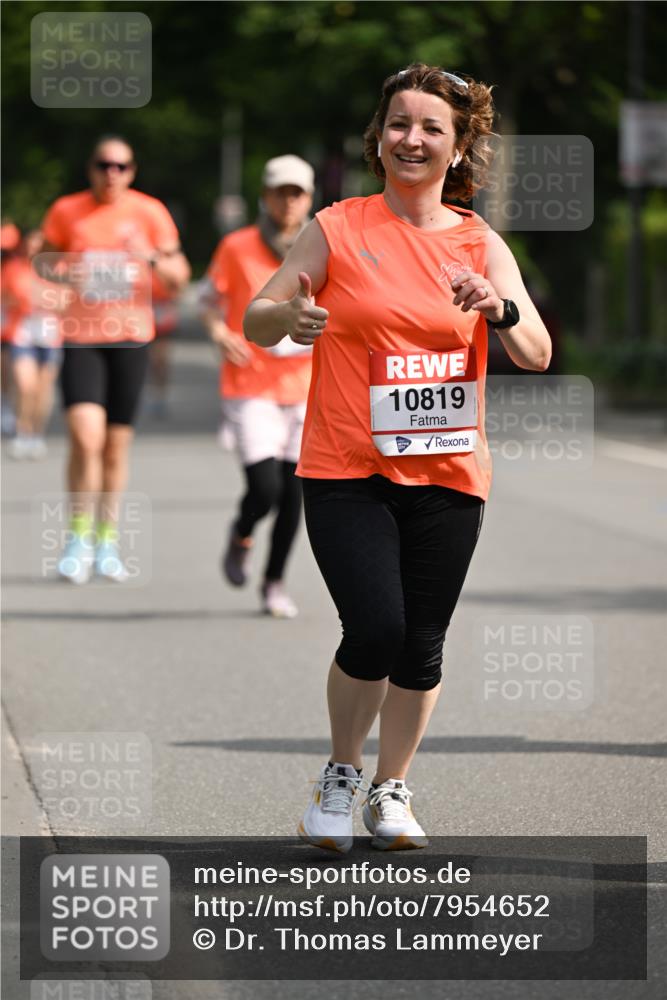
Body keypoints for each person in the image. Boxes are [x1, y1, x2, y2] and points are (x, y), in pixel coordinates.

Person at [244, 64, 551, 851]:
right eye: (398, 124)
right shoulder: (339, 226)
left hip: (448, 474)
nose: (411, 139)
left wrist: (500, 304)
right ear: (378, 137)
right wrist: (290, 314)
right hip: (347, 468)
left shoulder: (479, 242)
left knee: (421, 641)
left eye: (430, 129)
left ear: (457, 149)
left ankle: (391, 788)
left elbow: (536, 351)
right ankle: (341, 773)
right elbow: (257, 318)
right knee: (375, 626)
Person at [39, 135, 190, 583]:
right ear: (91, 169)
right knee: (85, 438)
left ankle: (107, 540)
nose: (112, 173)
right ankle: (77, 536)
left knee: (114, 446)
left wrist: (150, 259)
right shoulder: (67, 211)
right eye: (104, 165)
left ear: (132, 172)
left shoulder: (149, 213)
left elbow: (179, 278)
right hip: (82, 337)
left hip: (130, 339)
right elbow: (44, 263)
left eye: (121, 166)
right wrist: (66, 272)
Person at [202, 155, 315, 618]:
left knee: (295, 496)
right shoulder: (237, 246)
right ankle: (242, 531)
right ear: (265, 197)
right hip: (251, 385)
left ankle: (273, 582)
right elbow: (210, 301)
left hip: (307, 388)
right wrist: (218, 332)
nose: (288, 201)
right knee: (265, 489)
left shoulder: (323, 246)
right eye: (279, 192)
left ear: (309, 198)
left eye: (297, 193)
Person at [3, 229, 63, 459]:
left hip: (49, 333)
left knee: (42, 389)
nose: (33, 248)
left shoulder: (56, 269)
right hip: (22, 332)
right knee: (25, 385)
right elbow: (5, 298)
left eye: (38, 243)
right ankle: (22, 432)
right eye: (30, 242)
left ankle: (37, 433)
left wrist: (45, 299)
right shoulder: (14, 268)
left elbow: (67, 301)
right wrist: (20, 300)